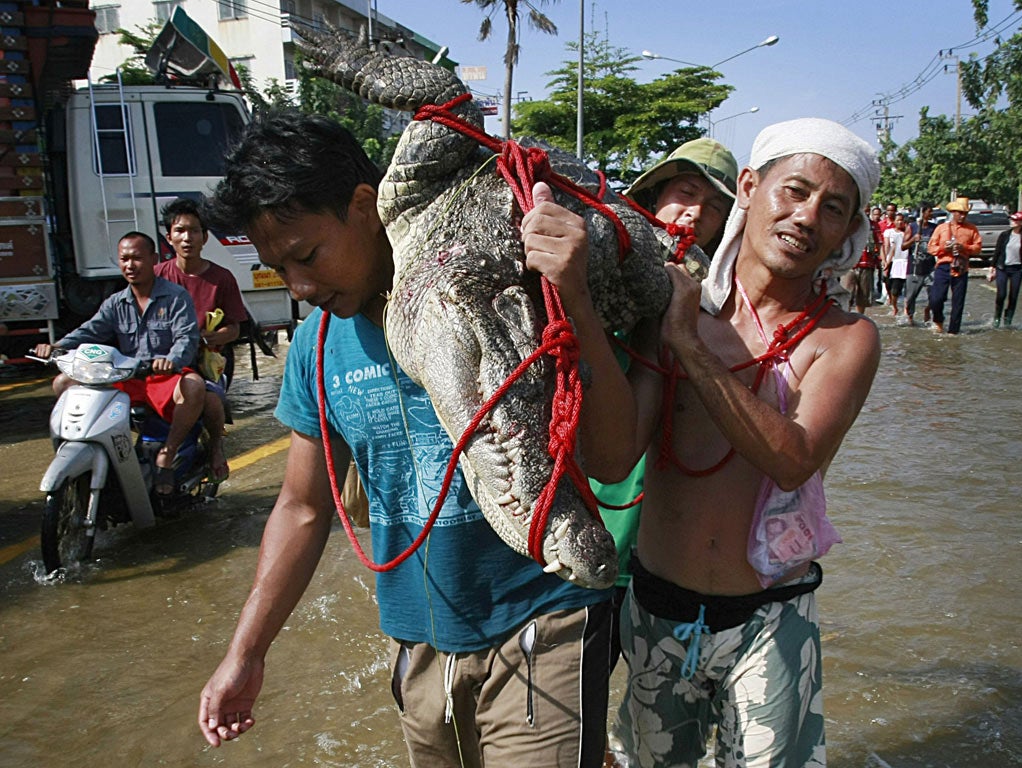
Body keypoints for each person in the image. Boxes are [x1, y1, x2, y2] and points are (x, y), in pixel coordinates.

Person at [197, 112, 625, 766]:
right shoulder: (316, 347)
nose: (301, 289)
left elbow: (614, 454)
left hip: (545, 618)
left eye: (307, 257)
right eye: (279, 270)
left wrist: (575, 297)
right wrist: (245, 654)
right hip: (420, 642)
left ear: (365, 206)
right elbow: (303, 506)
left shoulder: (502, 293)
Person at [608, 118, 882, 767]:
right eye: (794, 191)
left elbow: (793, 459)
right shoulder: (673, 306)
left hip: (772, 618)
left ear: (848, 233)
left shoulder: (845, 339)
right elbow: (613, 457)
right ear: (751, 189)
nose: (808, 216)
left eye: (833, 208)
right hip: (656, 609)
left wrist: (689, 347)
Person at [594, 137, 738, 668]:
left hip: (666, 552)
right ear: (653, 198)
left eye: (716, 207)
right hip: (596, 522)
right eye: (685, 191)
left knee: (656, 709)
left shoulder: (722, 316)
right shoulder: (597, 278)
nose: (695, 212)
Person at [32, 232, 204, 496]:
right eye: (124, 259)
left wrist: (171, 361)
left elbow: (186, 338)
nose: (130, 265)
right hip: (127, 377)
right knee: (63, 382)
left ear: (153, 260)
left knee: (194, 386)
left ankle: (167, 454)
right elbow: (90, 331)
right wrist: (57, 347)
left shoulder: (176, 297)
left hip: (162, 378)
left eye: (137, 258)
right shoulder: (115, 302)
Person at [156, 197, 247, 482]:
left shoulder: (222, 278)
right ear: (169, 236)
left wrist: (208, 338)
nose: (187, 238)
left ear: (205, 237)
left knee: (210, 402)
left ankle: (216, 449)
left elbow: (235, 330)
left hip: (206, 364)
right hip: (163, 364)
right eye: (180, 230)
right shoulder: (156, 277)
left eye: (194, 230)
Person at [928, 197, 982, 334]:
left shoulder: (972, 229)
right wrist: (943, 248)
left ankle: (954, 331)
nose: (963, 216)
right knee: (936, 298)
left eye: (965, 213)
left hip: (961, 267)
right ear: (953, 212)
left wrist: (963, 247)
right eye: (960, 213)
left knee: (958, 302)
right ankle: (938, 320)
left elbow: (977, 248)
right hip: (943, 265)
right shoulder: (942, 228)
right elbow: (931, 248)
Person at [988, 211, 1022, 328]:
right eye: (1011, 219)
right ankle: (997, 317)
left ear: (1021, 222)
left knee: (1013, 296)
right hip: (1002, 268)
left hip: (1017, 269)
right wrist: (992, 268)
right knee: (1001, 294)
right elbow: (997, 252)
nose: (1012, 222)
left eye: (1015, 220)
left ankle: (1008, 319)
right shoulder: (1004, 235)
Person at [903, 202, 937, 325]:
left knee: (935, 296)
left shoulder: (934, 228)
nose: (932, 213)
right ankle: (910, 319)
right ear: (923, 213)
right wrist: (913, 239)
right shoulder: (912, 227)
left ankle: (928, 310)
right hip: (914, 268)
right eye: (929, 211)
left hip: (930, 268)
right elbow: (903, 246)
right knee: (911, 297)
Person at [848, 205, 882, 314]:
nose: (865, 213)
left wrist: (882, 259)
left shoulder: (873, 226)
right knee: (846, 293)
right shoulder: (849, 224)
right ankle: (844, 319)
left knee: (863, 296)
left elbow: (879, 243)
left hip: (867, 264)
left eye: (867, 211)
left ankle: (859, 319)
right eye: (863, 210)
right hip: (849, 264)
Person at [882, 211, 912, 317]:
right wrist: (887, 263)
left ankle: (906, 309)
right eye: (898, 220)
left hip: (908, 264)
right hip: (896, 264)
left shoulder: (908, 235)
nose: (900, 222)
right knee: (893, 289)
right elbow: (892, 249)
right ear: (894, 221)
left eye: (902, 220)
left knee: (908, 290)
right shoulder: (892, 234)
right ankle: (894, 306)